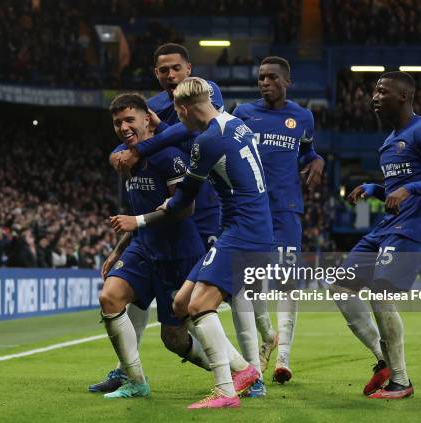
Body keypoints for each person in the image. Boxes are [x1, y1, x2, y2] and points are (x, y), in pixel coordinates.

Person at [112, 78, 272, 409]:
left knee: (200, 306)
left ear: (183, 109)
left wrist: (139, 220)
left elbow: (183, 200)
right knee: (182, 302)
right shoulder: (235, 123)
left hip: (244, 230)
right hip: (249, 226)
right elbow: (182, 134)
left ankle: (226, 390)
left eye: (177, 115)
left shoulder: (208, 142)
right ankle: (246, 373)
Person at [91, 43, 224, 393]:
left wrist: (141, 149)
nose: (170, 75)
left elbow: (194, 133)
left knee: (195, 315)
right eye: (163, 70)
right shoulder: (153, 109)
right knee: (119, 297)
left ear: (189, 69)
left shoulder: (205, 93)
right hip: (152, 232)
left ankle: (244, 370)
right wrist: (123, 153)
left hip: (201, 210)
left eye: (176, 68)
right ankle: (129, 373)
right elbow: (121, 155)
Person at [334, 71, 421, 399]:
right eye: (374, 91)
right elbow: (395, 189)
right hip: (385, 230)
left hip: (411, 230)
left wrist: (409, 189)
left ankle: (401, 381)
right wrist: (375, 188)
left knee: (380, 293)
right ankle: (384, 359)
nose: (374, 97)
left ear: (403, 96)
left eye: (382, 91)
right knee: (340, 286)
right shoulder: (389, 142)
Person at [232, 56, 325, 385]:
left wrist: (318, 160)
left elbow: (308, 153)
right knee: (250, 282)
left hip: (286, 210)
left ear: (287, 81)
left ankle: (282, 354)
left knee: (288, 282)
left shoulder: (302, 117)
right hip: (251, 209)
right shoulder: (243, 113)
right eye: (260, 78)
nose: (264, 82)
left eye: (271, 77)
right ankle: (267, 336)